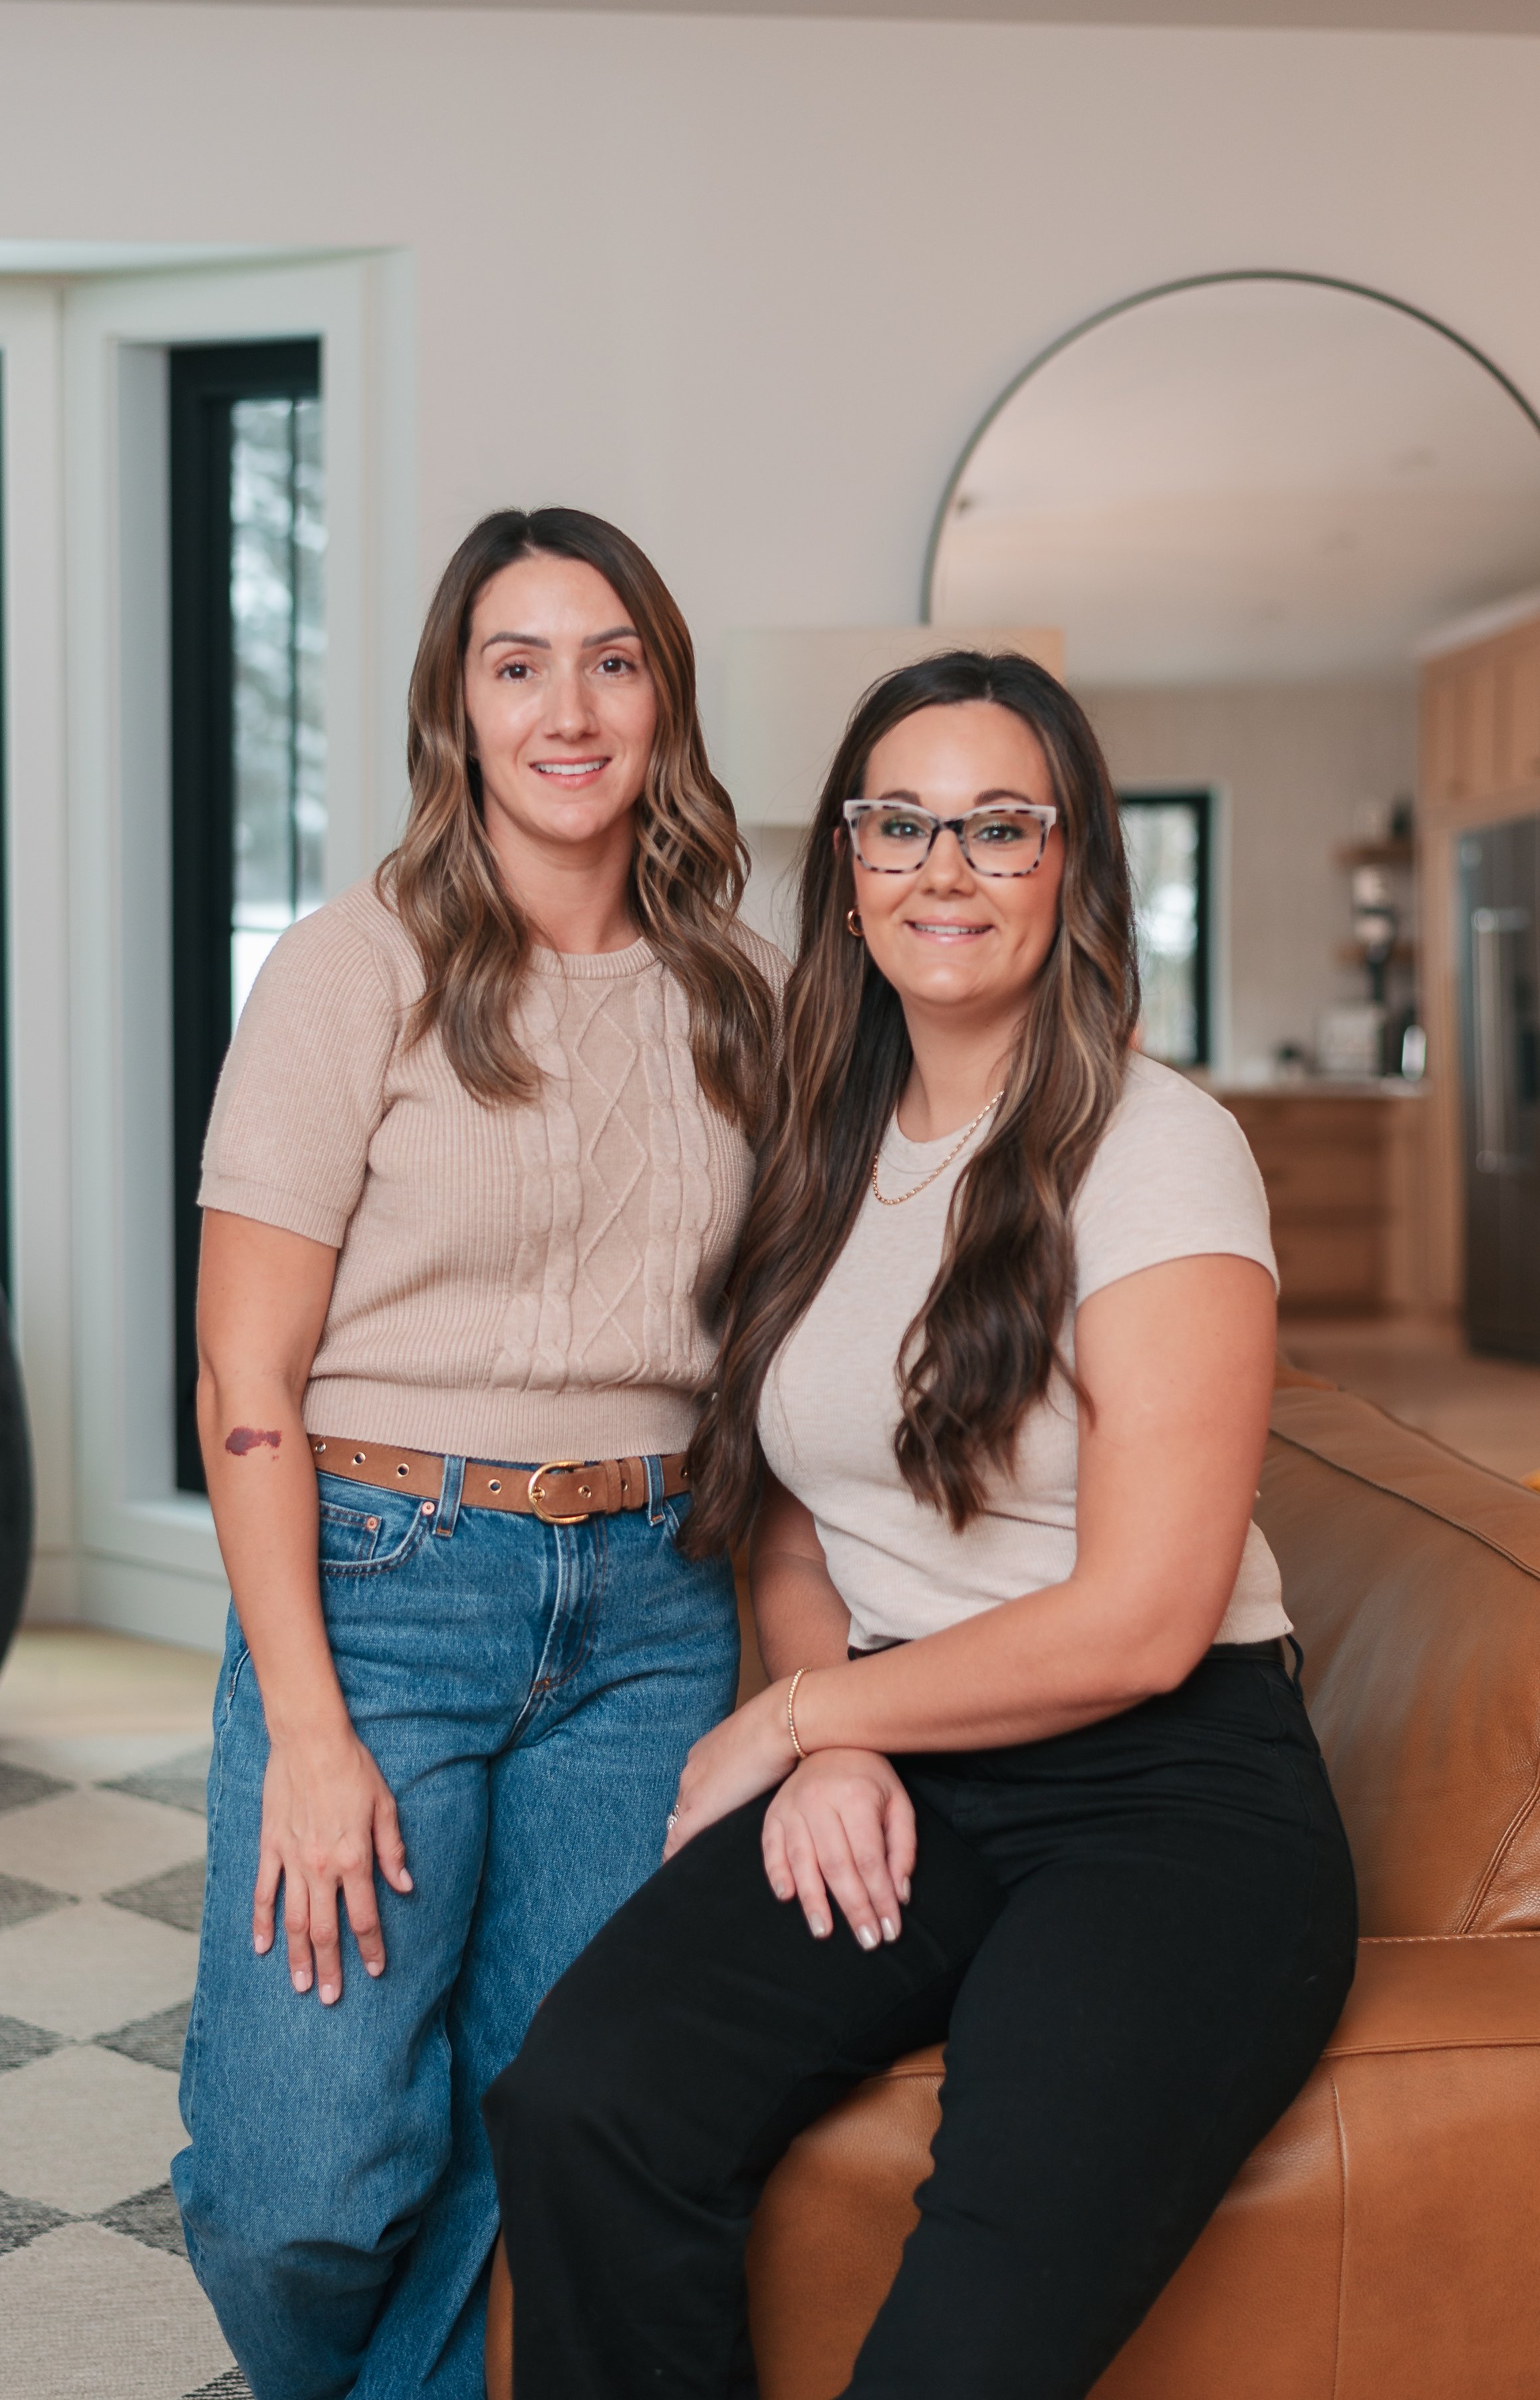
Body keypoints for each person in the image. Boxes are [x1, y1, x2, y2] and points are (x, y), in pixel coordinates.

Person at [486, 650, 1358, 2400]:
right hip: (917, 1751)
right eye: (898, 823)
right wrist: (836, 1739)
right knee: (583, 2097)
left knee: (962, 2341)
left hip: (1167, 1798)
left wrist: (806, 1715)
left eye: (996, 826)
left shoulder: (1156, 1146)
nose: (940, 868)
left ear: (1076, 865)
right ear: (848, 866)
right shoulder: (824, 1144)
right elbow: (801, 1525)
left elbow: (1142, 1618)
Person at [172, 507, 784, 2400]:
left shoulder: (743, 988)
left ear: (662, 695)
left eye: (610, 657)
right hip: (380, 1588)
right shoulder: (351, 967)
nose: (568, 706)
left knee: (547, 2119)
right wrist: (305, 1720)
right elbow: (243, 1365)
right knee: (305, 2184)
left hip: (656, 1608)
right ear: (456, 705)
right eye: (516, 663)